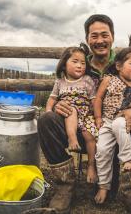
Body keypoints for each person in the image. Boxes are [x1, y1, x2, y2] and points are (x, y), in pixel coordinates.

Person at [37, 14, 131, 214]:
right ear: (87, 39)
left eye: (104, 35)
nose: (99, 41)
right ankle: (65, 186)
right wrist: (55, 107)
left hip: (121, 126)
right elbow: (61, 88)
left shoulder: (124, 60)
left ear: (112, 37)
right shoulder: (80, 63)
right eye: (94, 36)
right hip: (82, 126)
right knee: (46, 119)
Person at [93, 36, 131, 204]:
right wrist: (97, 118)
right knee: (101, 150)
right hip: (107, 122)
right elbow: (98, 99)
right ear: (118, 66)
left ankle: (128, 158)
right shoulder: (109, 79)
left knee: (119, 123)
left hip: (124, 123)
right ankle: (103, 185)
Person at [45, 43, 98, 183]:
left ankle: (92, 166)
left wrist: (96, 116)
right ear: (64, 65)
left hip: (86, 115)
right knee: (71, 110)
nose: (80, 65)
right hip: (67, 113)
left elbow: (94, 100)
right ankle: (72, 138)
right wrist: (49, 112)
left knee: (90, 135)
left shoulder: (87, 80)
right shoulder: (60, 82)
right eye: (75, 62)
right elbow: (52, 99)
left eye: (82, 63)